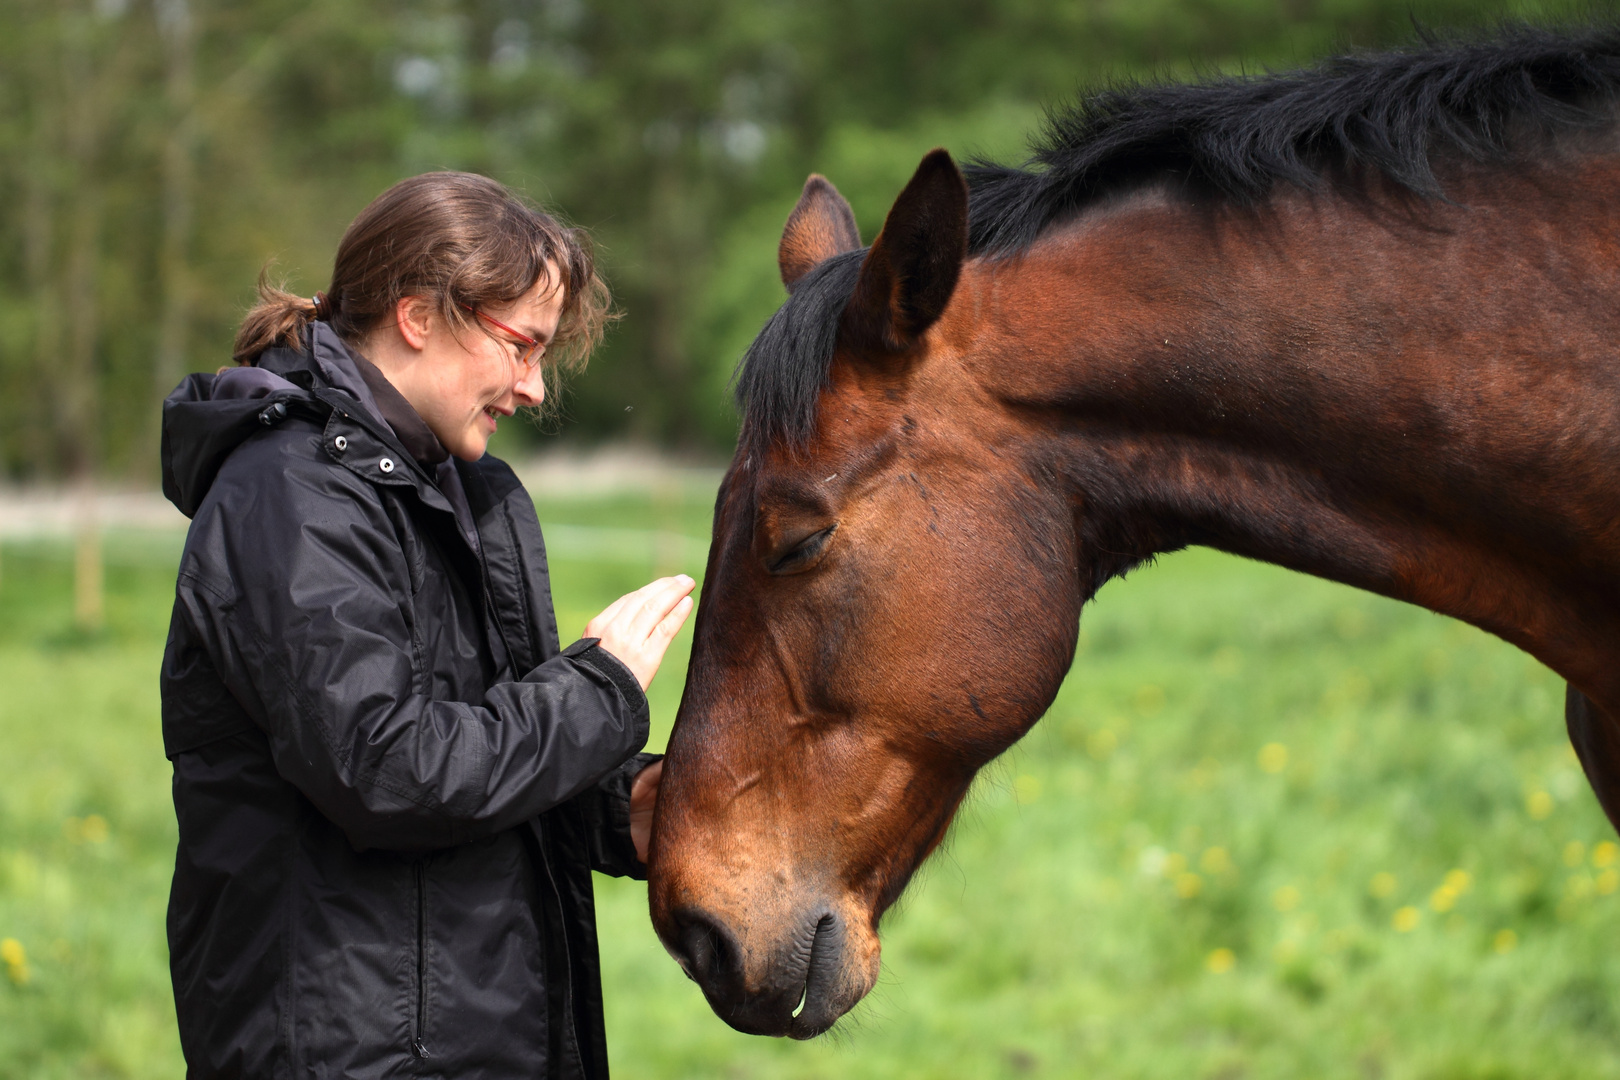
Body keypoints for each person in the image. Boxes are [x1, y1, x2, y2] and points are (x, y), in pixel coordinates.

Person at [158, 171, 694, 1079]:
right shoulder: (289, 494)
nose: (532, 388)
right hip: (353, 1051)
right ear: (420, 316)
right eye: (522, 346)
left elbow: (479, 737)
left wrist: (627, 812)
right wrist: (598, 691)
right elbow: (386, 768)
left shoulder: (457, 492)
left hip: (467, 1036)